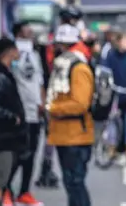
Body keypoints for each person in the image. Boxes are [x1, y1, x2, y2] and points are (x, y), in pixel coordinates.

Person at [46, 23, 95, 206]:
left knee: (75, 183)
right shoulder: (66, 66)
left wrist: (53, 108)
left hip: (76, 135)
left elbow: (80, 104)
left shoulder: (78, 68)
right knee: (72, 183)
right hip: (66, 135)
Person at [0, 38, 26, 206]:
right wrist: (11, 117)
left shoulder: (1, 73)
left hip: (2, 136)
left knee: (0, 178)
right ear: (8, 51)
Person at [7, 22, 46, 206]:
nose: (31, 33)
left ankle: (25, 191)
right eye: (26, 31)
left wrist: (42, 103)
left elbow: (39, 81)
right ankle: (5, 189)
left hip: (34, 112)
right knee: (17, 154)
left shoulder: (36, 54)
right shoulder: (12, 55)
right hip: (18, 111)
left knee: (31, 154)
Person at [104, 32, 126, 164]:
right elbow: (108, 71)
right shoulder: (112, 56)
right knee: (120, 122)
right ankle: (120, 147)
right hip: (118, 92)